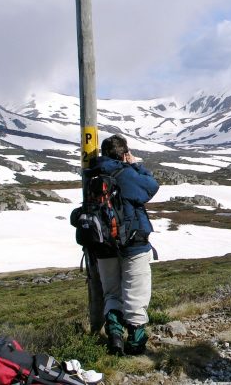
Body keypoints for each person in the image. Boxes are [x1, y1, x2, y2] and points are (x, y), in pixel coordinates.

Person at [86, 134, 159, 356]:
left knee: (112, 293)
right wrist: (135, 165)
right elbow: (151, 187)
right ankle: (135, 344)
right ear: (124, 153)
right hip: (133, 244)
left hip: (103, 246)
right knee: (136, 293)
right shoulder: (126, 173)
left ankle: (115, 337)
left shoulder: (92, 175)